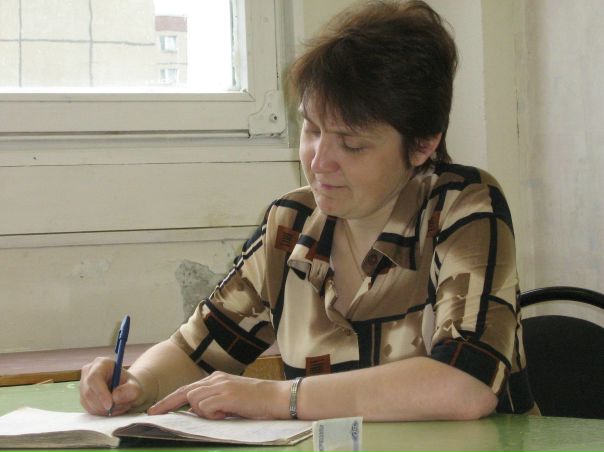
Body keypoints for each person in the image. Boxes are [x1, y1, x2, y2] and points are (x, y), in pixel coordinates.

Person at [80, 0, 537, 421]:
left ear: (423, 144)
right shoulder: (291, 224)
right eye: (312, 129)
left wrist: (278, 397)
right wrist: (136, 382)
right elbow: (196, 350)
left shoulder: (463, 208)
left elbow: (466, 386)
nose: (319, 162)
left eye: (352, 144)